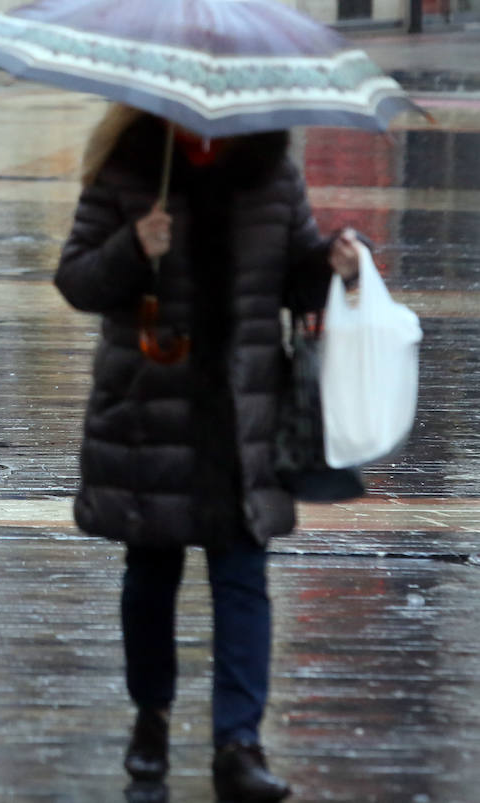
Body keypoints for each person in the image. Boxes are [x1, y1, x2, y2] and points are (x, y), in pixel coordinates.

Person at [53, 105, 361, 803]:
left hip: (241, 415)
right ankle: (151, 721)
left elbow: (294, 276)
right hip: (149, 411)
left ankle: (238, 744)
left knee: (244, 576)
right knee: (151, 576)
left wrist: (332, 260)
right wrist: (134, 247)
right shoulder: (131, 168)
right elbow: (76, 279)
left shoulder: (271, 171)